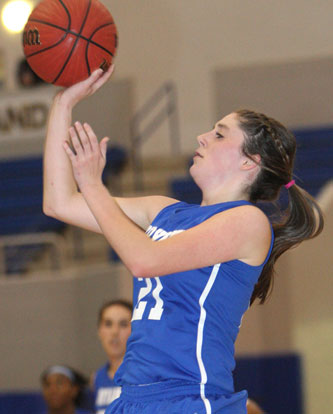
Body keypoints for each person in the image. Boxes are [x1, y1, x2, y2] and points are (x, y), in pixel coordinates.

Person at [43, 66, 324, 414]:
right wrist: (62, 104)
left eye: (220, 134)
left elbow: (144, 260)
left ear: (250, 163)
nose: (203, 137)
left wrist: (94, 186)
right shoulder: (165, 210)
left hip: (188, 398)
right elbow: (58, 202)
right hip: (131, 397)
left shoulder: (248, 222)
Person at [93, 300, 132, 414]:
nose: (115, 332)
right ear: (99, 331)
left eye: (123, 324)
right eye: (108, 324)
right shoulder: (97, 378)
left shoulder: (145, 376)